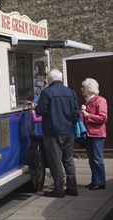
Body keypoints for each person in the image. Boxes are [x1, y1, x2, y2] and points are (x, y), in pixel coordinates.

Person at [34, 69, 80, 198]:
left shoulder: (47, 92)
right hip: (69, 131)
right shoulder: (71, 92)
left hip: (53, 132)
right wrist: (71, 124)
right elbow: (77, 113)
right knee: (68, 160)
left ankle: (58, 190)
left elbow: (41, 111)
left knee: (55, 161)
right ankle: (72, 188)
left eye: (47, 79)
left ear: (50, 79)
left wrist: (35, 107)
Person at [80, 78, 108, 190]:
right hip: (88, 133)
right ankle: (94, 181)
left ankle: (100, 182)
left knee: (97, 159)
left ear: (89, 89)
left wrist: (88, 116)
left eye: (83, 87)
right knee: (91, 159)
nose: (81, 90)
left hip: (97, 134)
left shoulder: (100, 100)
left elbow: (103, 118)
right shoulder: (86, 102)